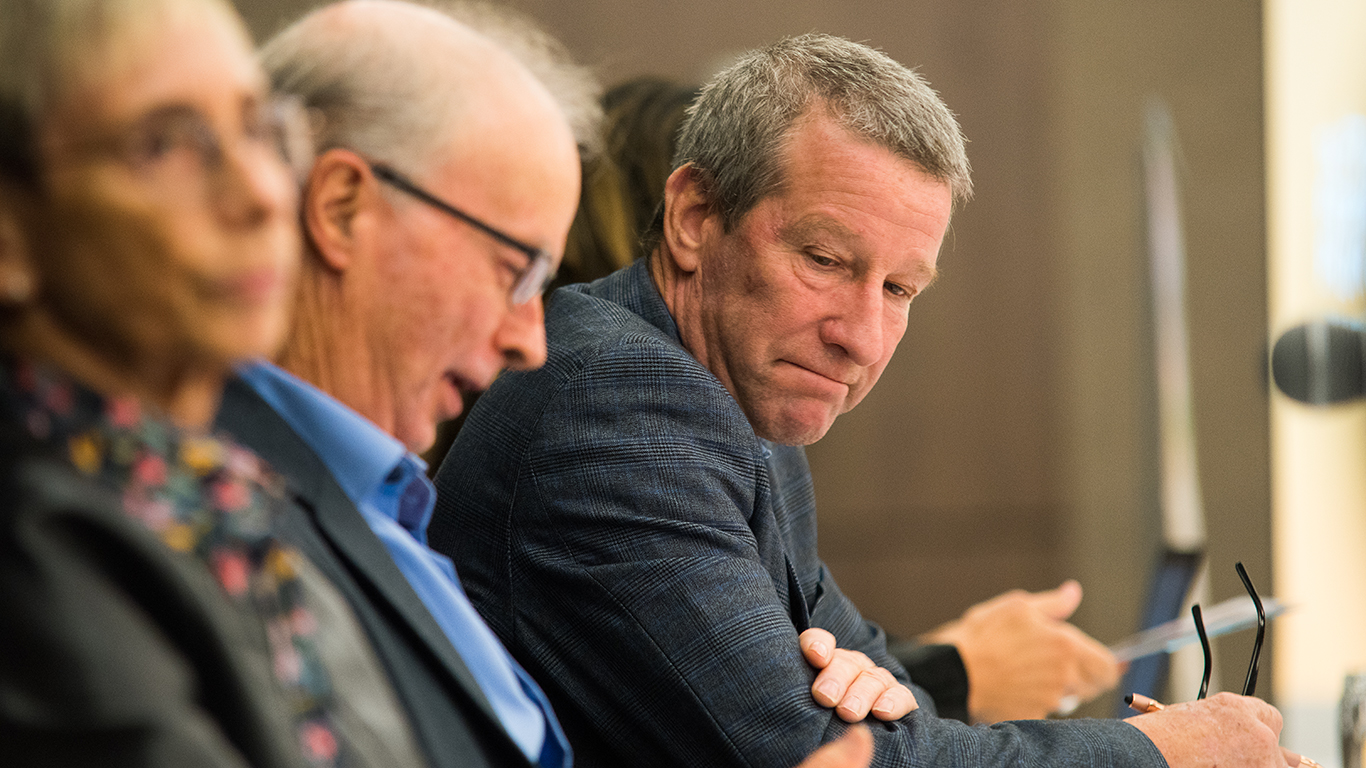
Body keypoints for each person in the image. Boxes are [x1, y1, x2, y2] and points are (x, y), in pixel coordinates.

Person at [431, 33, 1290, 766]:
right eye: (826, 261)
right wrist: (1162, 753)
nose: (863, 337)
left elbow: (889, 692)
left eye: (901, 290)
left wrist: (885, 715)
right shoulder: (615, 408)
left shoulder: (744, 395)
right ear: (693, 216)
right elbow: (821, 759)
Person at [213, 3, 902, 768]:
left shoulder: (377, 499)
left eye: (902, 288)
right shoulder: (206, 514)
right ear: (343, 209)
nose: (527, 338)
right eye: (514, 272)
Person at [0, 0, 429, 766]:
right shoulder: (32, 550)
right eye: (164, 144)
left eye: (262, 131)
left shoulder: (215, 492)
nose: (262, 194)